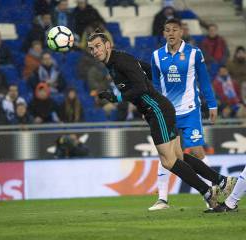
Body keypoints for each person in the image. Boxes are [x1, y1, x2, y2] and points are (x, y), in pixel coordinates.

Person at [87, 28, 236, 210]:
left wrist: (118, 97)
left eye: (98, 46)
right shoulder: (116, 61)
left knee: (168, 161)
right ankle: (221, 181)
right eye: (92, 48)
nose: (95, 51)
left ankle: (207, 192)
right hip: (159, 108)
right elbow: (149, 71)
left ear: (108, 45)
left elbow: (140, 87)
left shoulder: (120, 61)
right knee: (178, 157)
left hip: (157, 111)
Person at [149, 18, 229, 211]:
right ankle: (162, 199)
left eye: (174, 30)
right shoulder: (157, 56)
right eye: (167, 30)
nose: (171, 33)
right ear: (164, 33)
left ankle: (212, 192)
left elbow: (204, 80)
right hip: (168, 114)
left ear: (181, 32)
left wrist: (212, 104)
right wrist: (155, 108)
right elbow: (155, 85)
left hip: (190, 110)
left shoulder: (194, 53)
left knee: (196, 151)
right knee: (166, 154)